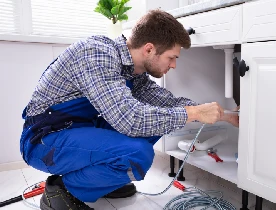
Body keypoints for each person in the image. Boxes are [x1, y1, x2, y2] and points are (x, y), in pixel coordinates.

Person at [20, 9, 239, 210]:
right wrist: (193, 114)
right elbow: (130, 120)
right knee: (137, 153)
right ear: (149, 49)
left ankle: (103, 182)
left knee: (157, 118)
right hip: (44, 140)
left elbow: (167, 103)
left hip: (79, 132)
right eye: (171, 58)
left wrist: (226, 116)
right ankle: (61, 190)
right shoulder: (96, 54)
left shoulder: (135, 71)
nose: (173, 65)